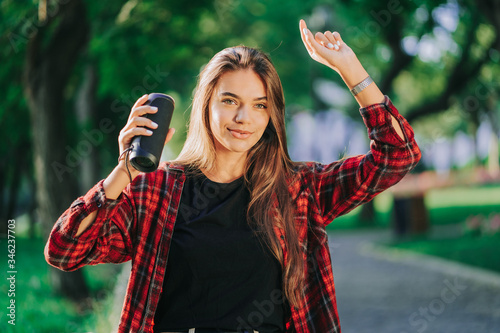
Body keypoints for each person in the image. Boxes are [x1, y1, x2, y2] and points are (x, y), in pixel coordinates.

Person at [45, 19, 421, 333]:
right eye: (230, 101)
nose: (245, 118)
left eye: (259, 105)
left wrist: (350, 70)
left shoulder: (297, 188)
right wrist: (124, 171)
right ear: (206, 103)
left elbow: (397, 156)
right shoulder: (155, 190)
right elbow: (64, 250)